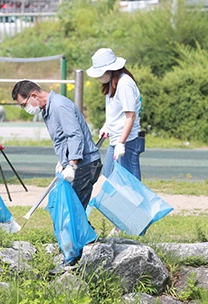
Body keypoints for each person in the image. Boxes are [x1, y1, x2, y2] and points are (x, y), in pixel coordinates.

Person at [11, 80, 102, 268]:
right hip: (74, 163)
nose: (25, 108)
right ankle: (84, 249)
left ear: (34, 96)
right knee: (71, 210)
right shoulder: (47, 109)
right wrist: (63, 160)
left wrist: (73, 164)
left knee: (71, 212)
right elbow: (61, 138)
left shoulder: (60, 106)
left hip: (84, 165)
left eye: (24, 104)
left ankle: (76, 257)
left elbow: (74, 135)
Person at [86, 48, 144, 181]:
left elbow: (131, 116)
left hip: (128, 141)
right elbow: (116, 111)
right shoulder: (113, 84)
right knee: (108, 176)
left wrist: (121, 143)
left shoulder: (125, 84)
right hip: (116, 139)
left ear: (109, 70)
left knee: (131, 184)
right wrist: (107, 126)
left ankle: (138, 203)